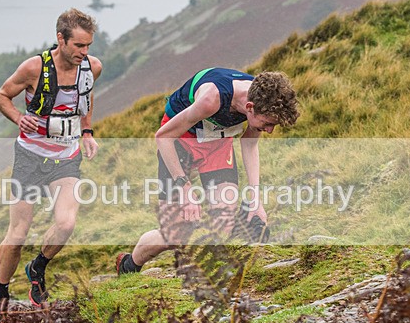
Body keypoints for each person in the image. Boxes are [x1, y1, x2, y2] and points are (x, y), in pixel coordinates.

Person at [116, 68, 299, 275]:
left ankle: (217, 261)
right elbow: (163, 138)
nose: (269, 130)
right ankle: (129, 264)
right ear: (249, 107)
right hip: (179, 142)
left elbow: (249, 144)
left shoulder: (260, 97)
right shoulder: (211, 98)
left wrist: (255, 198)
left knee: (224, 223)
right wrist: (186, 190)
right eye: (268, 124)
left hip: (218, 146)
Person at [0, 8, 102, 323]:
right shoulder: (33, 68)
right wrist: (17, 117)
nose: (84, 52)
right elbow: (1, 96)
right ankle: (1, 297)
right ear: (60, 39)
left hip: (66, 158)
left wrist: (88, 131)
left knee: (66, 224)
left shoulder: (91, 67)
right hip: (29, 157)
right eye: (79, 45)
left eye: (89, 46)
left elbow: (87, 97)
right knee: (19, 232)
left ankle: (37, 268)